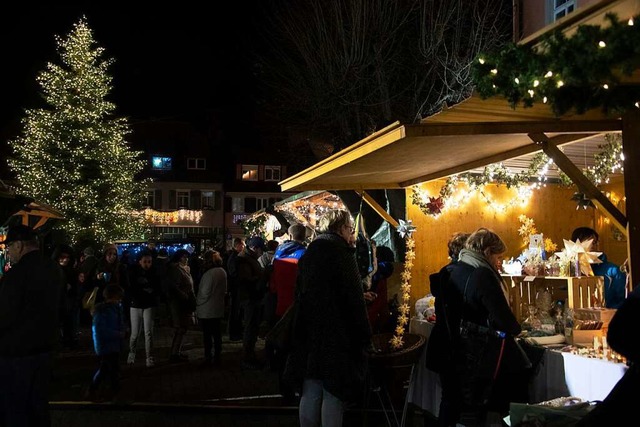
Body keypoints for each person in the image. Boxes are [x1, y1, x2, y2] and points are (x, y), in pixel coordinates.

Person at [284, 209, 372, 427]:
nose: (351, 234)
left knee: (311, 388)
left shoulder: (309, 253)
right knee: (334, 391)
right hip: (337, 333)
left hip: (308, 330)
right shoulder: (342, 253)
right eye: (350, 229)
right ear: (341, 228)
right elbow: (353, 299)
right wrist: (364, 335)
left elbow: (301, 292)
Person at [433, 228, 525, 426]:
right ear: (487, 252)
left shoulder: (452, 269)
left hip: (447, 349)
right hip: (472, 354)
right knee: (473, 410)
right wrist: (517, 329)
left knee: (450, 403)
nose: (498, 262)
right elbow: (503, 319)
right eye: (498, 256)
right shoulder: (481, 274)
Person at [0, 224, 65, 427]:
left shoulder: (16, 275)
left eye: (9, 246)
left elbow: (5, 314)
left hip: (17, 352)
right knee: (38, 405)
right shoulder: (54, 269)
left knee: (16, 408)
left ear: (19, 245)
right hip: (46, 347)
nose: (8, 251)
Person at [424, 231, 470, 426]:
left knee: (449, 396)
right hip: (455, 345)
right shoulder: (461, 275)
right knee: (455, 398)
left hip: (442, 342)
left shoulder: (445, 273)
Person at [267, 223, 308, 402]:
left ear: (290, 236)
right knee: (299, 351)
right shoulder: (306, 255)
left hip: (280, 307)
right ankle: (298, 387)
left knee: (282, 350)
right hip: (298, 309)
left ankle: (284, 388)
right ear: (304, 236)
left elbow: (273, 286)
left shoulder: (277, 256)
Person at [86, 284, 126, 402]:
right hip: (106, 346)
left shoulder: (115, 309)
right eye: (118, 298)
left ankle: (108, 392)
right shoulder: (102, 311)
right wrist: (119, 334)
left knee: (111, 370)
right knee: (108, 369)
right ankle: (95, 390)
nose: (119, 300)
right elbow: (101, 330)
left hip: (112, 345)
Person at [570, 227, 628, 309]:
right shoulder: (569, 270)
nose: (593, 246)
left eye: (595, 242)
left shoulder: (613, 271)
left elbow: (624, 299)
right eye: (590, 242)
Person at [236, 236, 267, 369]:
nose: (262, 253)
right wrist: (264, 275)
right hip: (250, 298)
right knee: (250, 327)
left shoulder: (249, 259)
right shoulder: (245, 260)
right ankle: (247, 357)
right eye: (260, 250)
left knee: (253, 327)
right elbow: (247, 281)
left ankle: (250, 355)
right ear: (255, 248)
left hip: (252, 298)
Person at [126, 250, 161, 368]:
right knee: (135, 333)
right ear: (139, 261)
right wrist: (145, 289)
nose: (147, 264)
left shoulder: (154, 272)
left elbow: (157, 287)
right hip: (136, 304)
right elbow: (131, 288)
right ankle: (132, 354)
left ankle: (149, 357)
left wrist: (147, 289)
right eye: (145, 262)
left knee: (148, 333)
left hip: (149, 304)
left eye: (149, 262)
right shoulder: (133, 272)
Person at [195, 250, 227, 367]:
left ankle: (208, 357)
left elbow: (204, 292)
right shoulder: (222, 271)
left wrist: (198, 302)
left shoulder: (209, 274)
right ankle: (217, 356)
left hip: (207, 309)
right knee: (217, 334)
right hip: (217, 307)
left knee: (207, 335)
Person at [167, 249, 196, 363]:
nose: (186, 259)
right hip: (180, 304)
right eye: (184, 257)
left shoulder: (183, 269)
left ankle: (176, 352)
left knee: (182, 329)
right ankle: (174, 354)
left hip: (184, 303)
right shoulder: (176, 270)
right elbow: (175, 287)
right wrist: (183, 294)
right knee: (180, 329)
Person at [53, 243, 80, 348]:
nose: (65, 260)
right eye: (63, 257)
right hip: (58, 302)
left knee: (69, 323)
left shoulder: (71, 271)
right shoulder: (54, 271)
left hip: (69, 302)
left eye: (67, 257)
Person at [226, 237, 245, 341]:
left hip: (236, 287)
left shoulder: (235, 257)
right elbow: (234, 273)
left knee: (236, 311)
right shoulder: (234, 257)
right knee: (235, 311)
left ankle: (235, 332)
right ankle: (234, 333)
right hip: (235, 288)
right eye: (242, 245)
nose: (243, 247)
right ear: (237, 245)